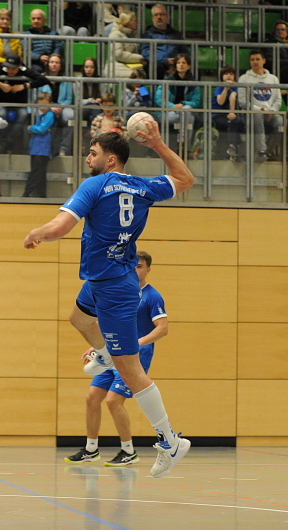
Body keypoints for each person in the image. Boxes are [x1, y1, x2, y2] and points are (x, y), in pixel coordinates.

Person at [23, 124, 194, 478]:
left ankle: (170, 440)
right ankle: (103, 355)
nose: (88, 158)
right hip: (102, 279)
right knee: (79, 318)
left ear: (110, 159)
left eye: (93, 153)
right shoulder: (143, 186)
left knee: (131, 371)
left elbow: (59, 228)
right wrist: (158, 144)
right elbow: (185, 178)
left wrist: (36, 232)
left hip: (115, 288)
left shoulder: (96, 185)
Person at [65, 251, 168, 467]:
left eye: (140, 266)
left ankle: (128, 450)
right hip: (113, 352)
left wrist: (137, 342)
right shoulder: (120, 292)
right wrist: (98, 346)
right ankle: (91, 448)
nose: (135, 270)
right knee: (92, 397)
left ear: (148, 270)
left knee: (113, 401)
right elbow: (107, 323)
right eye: (133, 266)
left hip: (134, 356)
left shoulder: (152, 296)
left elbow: (162, 328)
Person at [0, 53, 49, 155]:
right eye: (8, 68)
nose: (10, 71)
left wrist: (24, 86)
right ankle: (1, 140)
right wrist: (1, 85)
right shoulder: (1, 68)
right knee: (1, 114)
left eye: (13, 69)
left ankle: (7, 141)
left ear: (19, 66)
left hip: (19, 104)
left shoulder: (24, 70)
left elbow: (43, 79)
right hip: (2, 103)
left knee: (23, 114)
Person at [237, 49, 283, 162]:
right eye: (252, 60)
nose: (255, 62)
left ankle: (268, 150)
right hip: (251, 113)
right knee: (257, 115)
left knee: (281, 122)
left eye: (257, 59)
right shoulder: (244, 78)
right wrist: (260, 110)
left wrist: (271, 111)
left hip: (269, 112)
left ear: (264, 61)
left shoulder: (273, 79)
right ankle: (261, 150)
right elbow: (242, 102)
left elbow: (278, 100)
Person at [40, 53, 74, 157]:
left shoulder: (65, 80)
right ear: (48, 64)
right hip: (44, 106)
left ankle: (64, 149)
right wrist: (50, 107)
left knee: (70, 116)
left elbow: (69, 99)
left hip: (62, 106)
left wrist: (60, 106)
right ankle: (44, 147)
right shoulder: (40, 78)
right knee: (40, 114)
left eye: (57, 62)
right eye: (52, 62)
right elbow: (37, 97)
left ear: (60, 65)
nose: (54, 64)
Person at [141, 4, 188, 80]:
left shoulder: (176, 34)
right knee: (157, 67)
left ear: (167, 16)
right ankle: (157, 88)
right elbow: (145, 53)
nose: (159, 17)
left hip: (175, 63)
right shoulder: (148, 34)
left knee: (190, 68)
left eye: (161, 14)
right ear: (152, 18)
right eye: (156, 15)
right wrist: (164, 60)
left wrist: (179, 60)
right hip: (157, 63)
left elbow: (185, 51)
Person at [154, 53, 200, 131]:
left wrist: (182, 104)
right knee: (188, 116)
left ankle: (182, 137)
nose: (181, 65)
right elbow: (158, 99)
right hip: (168, 112)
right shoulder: (167, 81)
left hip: (185, 111)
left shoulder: (193, 83)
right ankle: (184, 138)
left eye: (184, 62)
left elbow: (195, 102)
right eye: (178, 63)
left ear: (189, 66)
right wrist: (172, 106)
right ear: (175, 65)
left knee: (186, 110)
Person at [25, 92, 55, 198]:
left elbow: (42, 129)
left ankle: (27, 192)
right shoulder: (42, 116)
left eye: (45, 104)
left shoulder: (50, 115)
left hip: (42, 149)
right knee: (40, 173)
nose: (42, 107)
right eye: (40, 104)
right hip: (36, 148)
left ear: (50, 104)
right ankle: (41, 194)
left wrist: (31, 128)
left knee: (36, 172)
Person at [211, 65, 243, 161]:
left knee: (238, 121)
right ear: (222, 76)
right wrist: (226, 88)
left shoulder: (235, 87)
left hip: (228, 115)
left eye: (231, 74)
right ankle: (234, 149)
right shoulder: (219, 87)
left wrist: (231, 113)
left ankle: (232, 147)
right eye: (226, 74)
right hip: (217, 114)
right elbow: (220, 102)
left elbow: (232, 97)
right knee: (232, 124)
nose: (229, 76)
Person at [106, 11, 144, 79]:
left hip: (132, 65)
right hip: (116, 66)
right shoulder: (115, 34)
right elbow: (119, 55)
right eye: (135, 20)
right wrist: (139, 58)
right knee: (136, 77)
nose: (137, 22)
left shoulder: (135, 35)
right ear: (129, 22)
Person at [26, 8, 63, 74]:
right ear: (30, 20)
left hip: (52, 60)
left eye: (39, 18)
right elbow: (25, 51)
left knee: (57, 66)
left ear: (45, 20)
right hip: (35, 62)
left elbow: (58, 47)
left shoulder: (53, 33)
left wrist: (52, 59)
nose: (36, 21)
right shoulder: (26, 35)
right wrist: (39, 57)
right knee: (37, 70)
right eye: (33, 19)